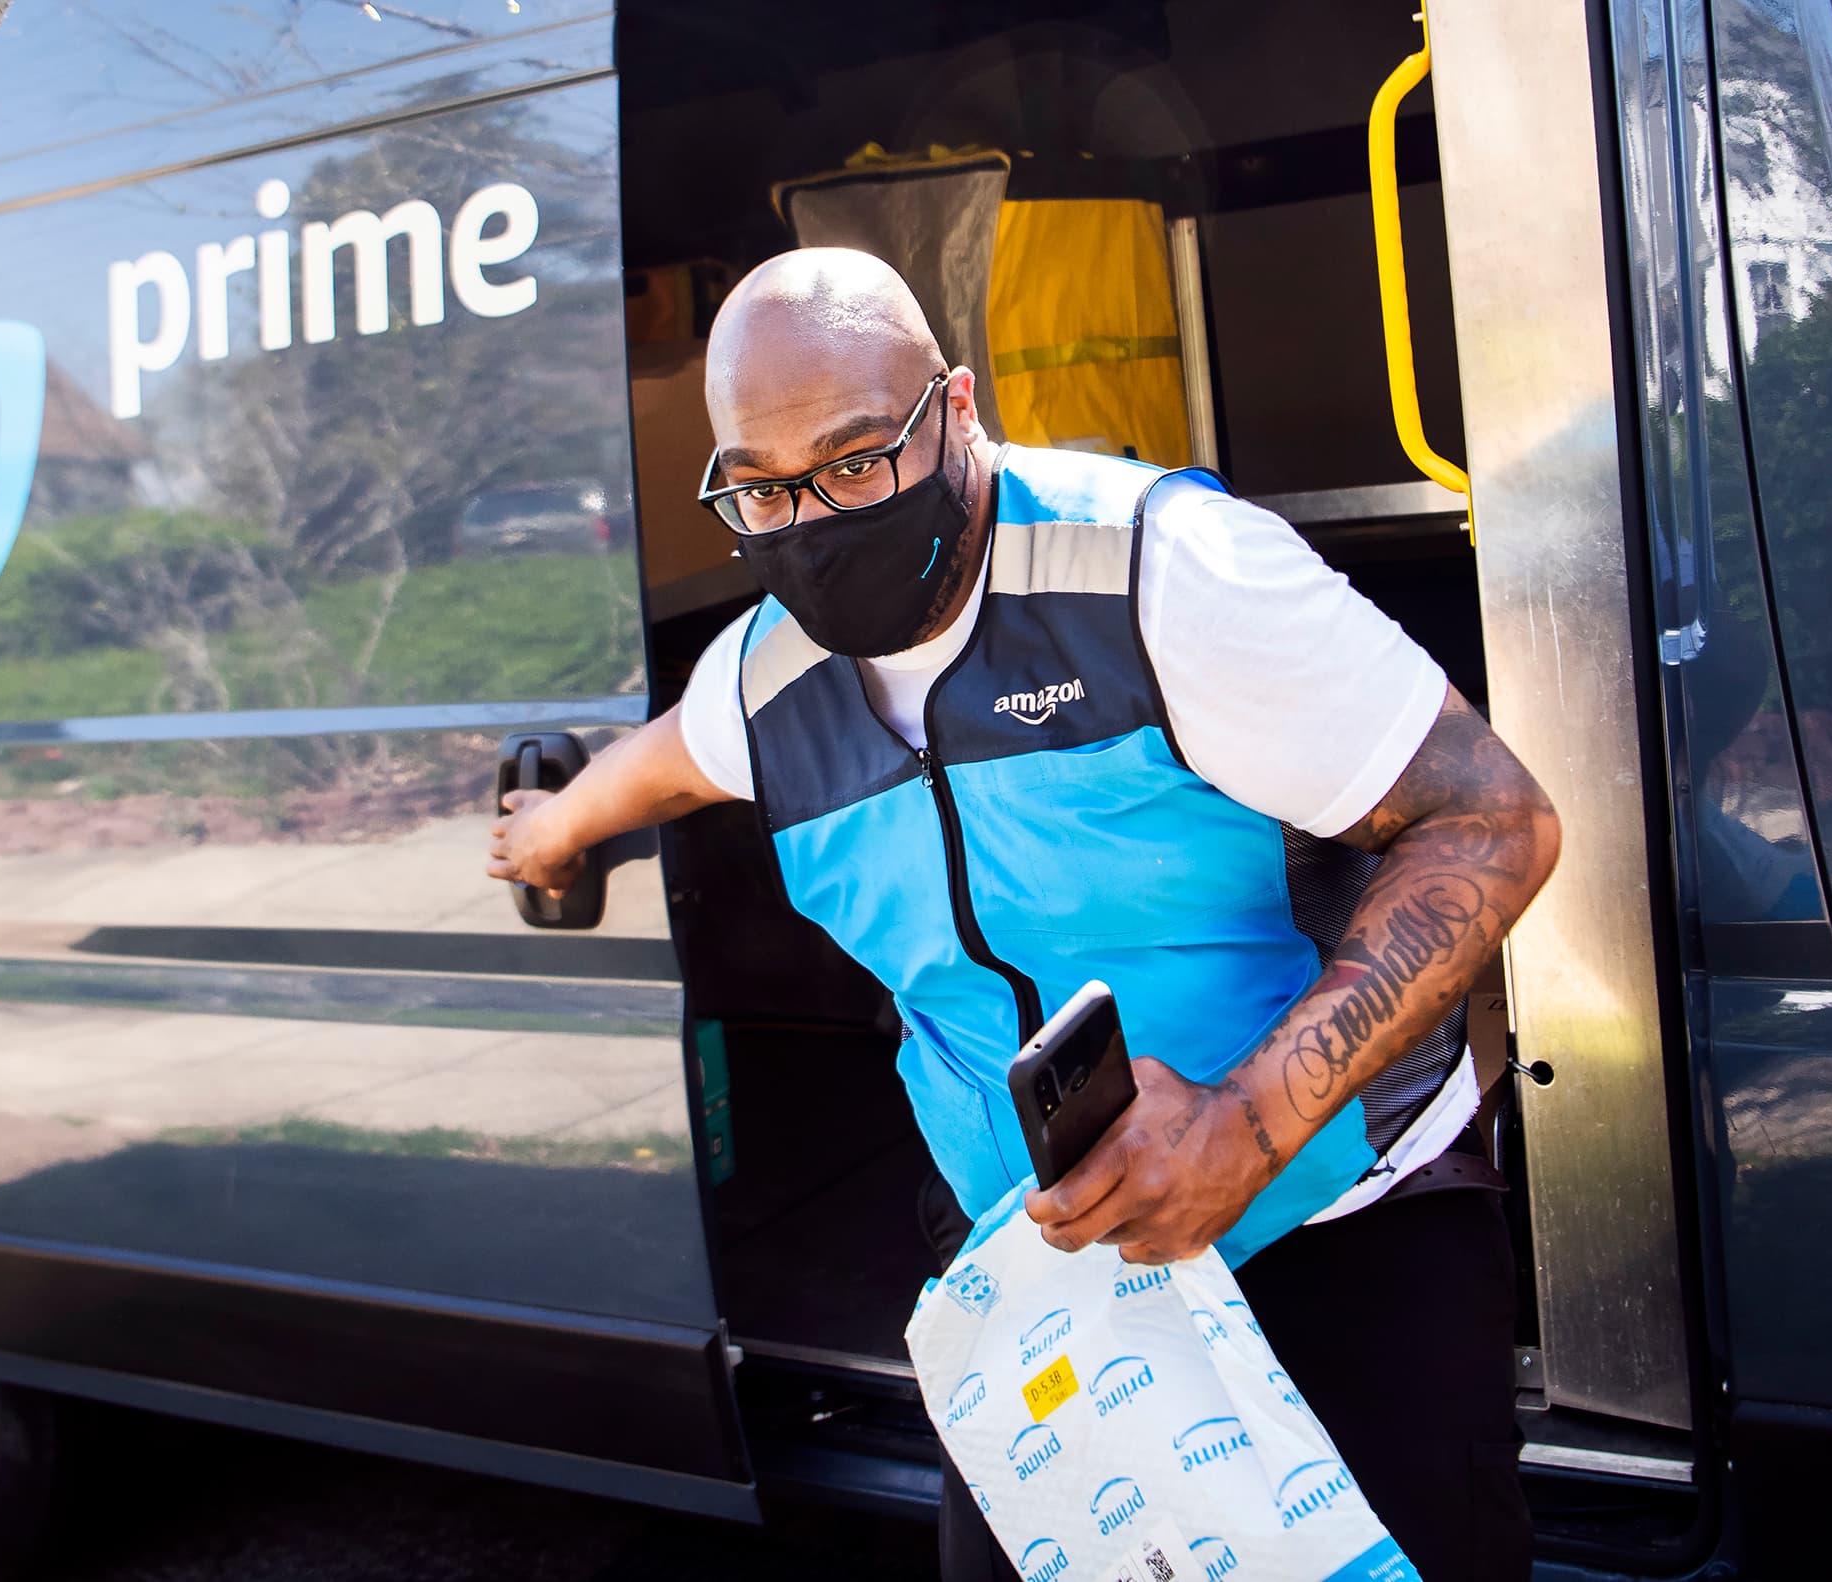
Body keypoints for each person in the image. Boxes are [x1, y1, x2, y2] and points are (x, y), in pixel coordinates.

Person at [486, 248, 1561, 1582]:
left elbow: (1493, 821)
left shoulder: (1163, 574)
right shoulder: (770, 681)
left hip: (1335, 1226)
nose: (813, 514)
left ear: (956, 406)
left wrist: (1247, 1125)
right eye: (761, 486)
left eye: (857, 457)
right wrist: (550, 829)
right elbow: (665, 757)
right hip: (1040, 1279)